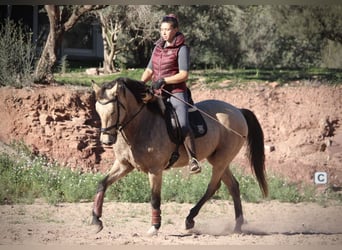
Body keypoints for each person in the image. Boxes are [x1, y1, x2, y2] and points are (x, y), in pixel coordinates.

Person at [141, 14, 201, 174]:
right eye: (162, 29)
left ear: (176, 29)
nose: (164, 33)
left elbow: (184, 74)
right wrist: (141, 84)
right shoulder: (157, 48)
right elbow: (149, 70)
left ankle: (193, 159)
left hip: (176, 92)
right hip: (157, 92)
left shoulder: (182, 49)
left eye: (167, 29)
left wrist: (164, 80)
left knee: (182, 124)